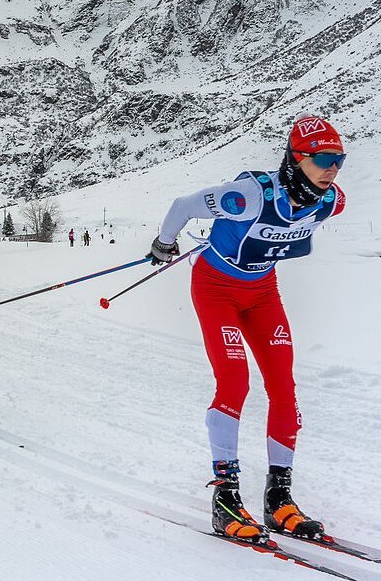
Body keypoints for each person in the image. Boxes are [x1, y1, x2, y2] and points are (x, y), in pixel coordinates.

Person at [147, 113, 348, 543]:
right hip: (215, 289)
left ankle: (279, 499)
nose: (332, 168)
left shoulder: (331, 201)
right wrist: (164, 244)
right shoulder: (248, 197)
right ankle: (225, 498)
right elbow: (183, 207)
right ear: (296, 158)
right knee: (234, 381)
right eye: (323, 159)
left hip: (262, 294)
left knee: (283, 386)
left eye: (339, 160)